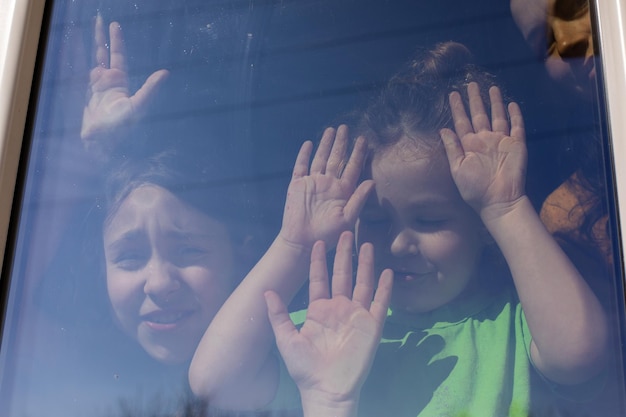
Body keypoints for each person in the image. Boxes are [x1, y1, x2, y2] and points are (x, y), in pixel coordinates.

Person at [190, 41, 609, 417]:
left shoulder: (514, 323)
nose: (399, 242)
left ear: (480, 226)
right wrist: (295, 245)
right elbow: (213, 384)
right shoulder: (327, 329)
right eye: (374, 221)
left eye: (429, 221)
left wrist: (505, 207)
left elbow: (579, 353)